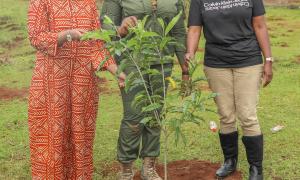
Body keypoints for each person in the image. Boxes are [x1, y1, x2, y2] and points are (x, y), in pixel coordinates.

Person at [27, 0, 125, 179]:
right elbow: (35, 37)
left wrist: (116, 71)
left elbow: (96, 44)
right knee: (52, 138)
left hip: (83, 83)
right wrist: (66, 35)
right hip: (51, 83)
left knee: (81, 138)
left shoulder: (88, 3)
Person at [100, 0, 188, 179]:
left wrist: (186, 70)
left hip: (162, 64)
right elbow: (106, 30)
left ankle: (149, 167)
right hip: (132, 63)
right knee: (134, 116)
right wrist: (121, 29)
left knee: (155, 115)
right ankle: (126, 169)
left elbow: (178, 31)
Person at [185, 0, 273, 179]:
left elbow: (260, 25)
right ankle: (229, 161)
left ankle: (256, 168)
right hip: (216, 63)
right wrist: (190, 53)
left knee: (247, 115)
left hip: (248, 59)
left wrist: (268, 60)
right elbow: (194, 29)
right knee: (226, 115)